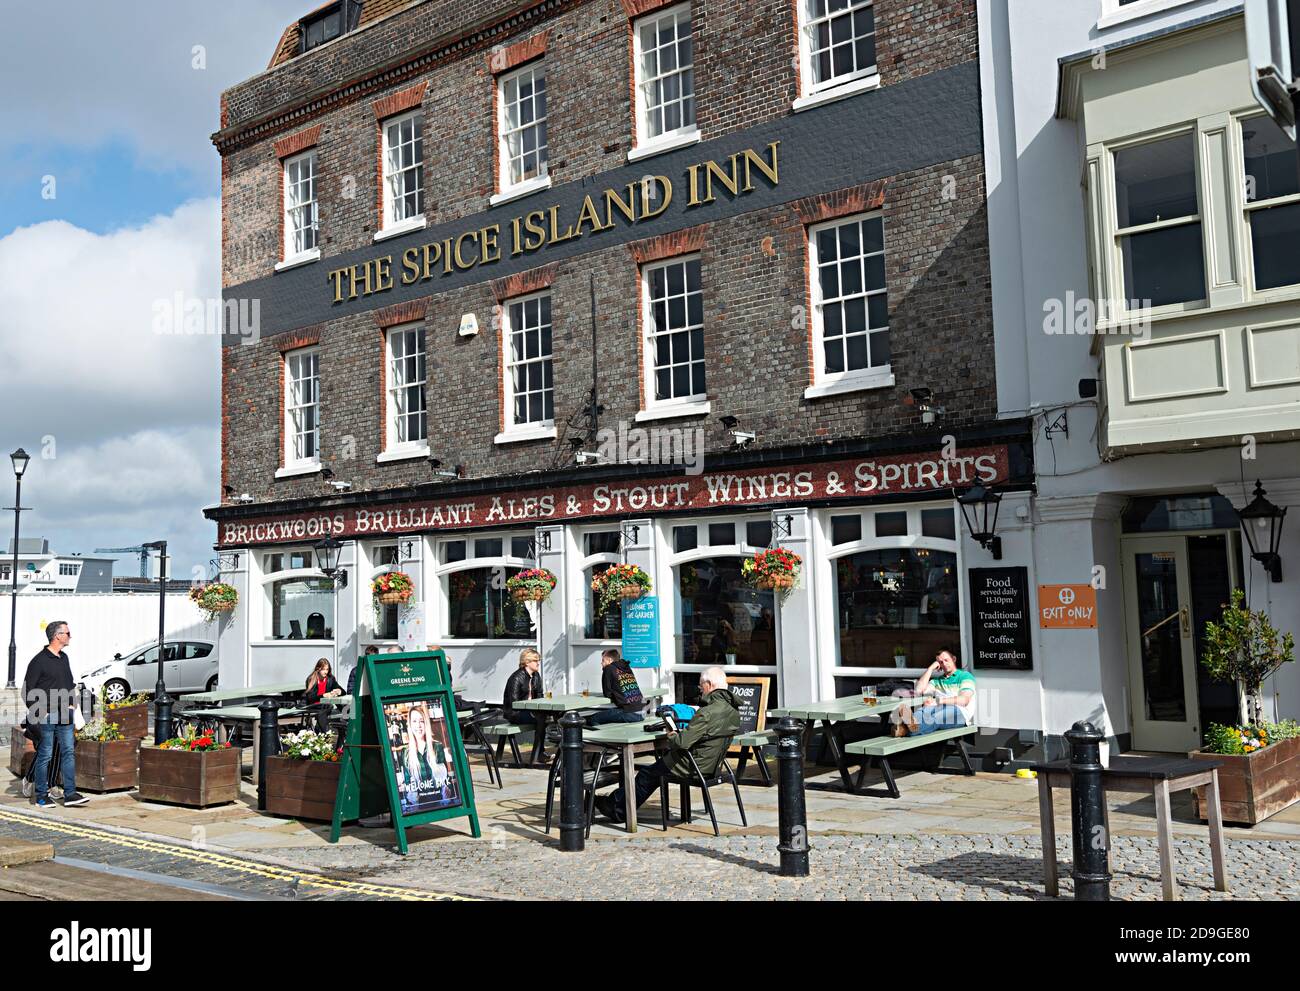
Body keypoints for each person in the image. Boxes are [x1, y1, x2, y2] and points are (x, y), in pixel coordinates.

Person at [594, 666, 739, 823]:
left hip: (692, 765)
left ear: (709, 685)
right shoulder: (732, 711)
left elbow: (682, 743)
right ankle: (615, 804)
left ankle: (617, 809)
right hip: (713, 765)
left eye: (700, 686)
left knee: (646, 774)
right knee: (654, 771)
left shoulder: (707, 712)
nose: (700, 690)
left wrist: (672, 736)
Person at [25, 621, 88, 808]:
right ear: (57, 636)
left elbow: (69, 684)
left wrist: (72, 705)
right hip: (47, 715)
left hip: (65, 715)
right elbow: (28, 691)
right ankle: (41, 796)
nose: (70, 636)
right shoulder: (38, 661)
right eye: (68, 633)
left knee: (68, 752)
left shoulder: (64, 658)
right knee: (46, 754)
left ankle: (70, 794)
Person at [893, 647, 976, 736]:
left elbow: (964, 700)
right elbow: (919, 690)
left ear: (954, 659)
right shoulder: (937, 681)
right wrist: (930, 669)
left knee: (936, 717)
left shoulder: (965, 676)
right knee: (923, 711)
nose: (944, 664)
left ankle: (905, 729)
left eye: (946, 660)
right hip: (938, 708)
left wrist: (937, 701)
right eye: (940, 662)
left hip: (959, 712)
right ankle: (907, 728)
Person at [590, 648, 645, 725]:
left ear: (609, 660)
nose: (601, 663)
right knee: (609, 715)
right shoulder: (626, 667)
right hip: (642, 711)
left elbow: (607, 693)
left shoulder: (608, 669)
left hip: (630, 713)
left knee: (593, 718)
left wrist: (617, 695)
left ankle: (604, 736)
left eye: (603, 660)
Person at [502, 648, 543, 728]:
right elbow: (514, 703)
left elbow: (540, 695)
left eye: (538, 661)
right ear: (527, 662)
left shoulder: (536, 675)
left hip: (531, 710)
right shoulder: (516, 678)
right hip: (516, 713)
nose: (538, 663)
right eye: (535, 661)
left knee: (553, 716)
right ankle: (539, 741)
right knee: (541, 719)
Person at [303, 657, 343, 731]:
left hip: (326, 705)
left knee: (345, 708)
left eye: (327, 669)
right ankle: (325, 732)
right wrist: (323, 695)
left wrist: (339, 691)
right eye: (323, 669)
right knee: (324, 710)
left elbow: (342, 691)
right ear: (318, 669)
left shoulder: (330, 679)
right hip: (314, 705)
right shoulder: (312, 679)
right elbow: (310, 697)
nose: (325, 672)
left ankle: (345, 730)